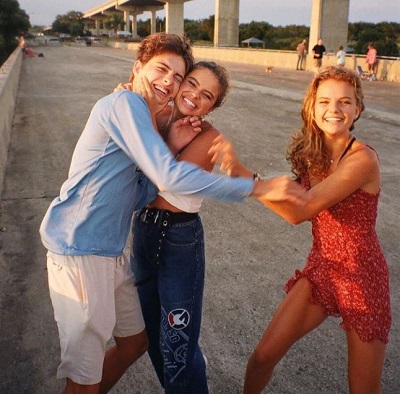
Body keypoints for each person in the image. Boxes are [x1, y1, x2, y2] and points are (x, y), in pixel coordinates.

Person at [40, 32, 306, 394]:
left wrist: (251, 180)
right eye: (171, 74)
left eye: (183, 80)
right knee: (96, 368)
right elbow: (162, 179)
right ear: (138, 67)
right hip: (89, 248)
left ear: (212, 107)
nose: (177, 86)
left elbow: (152, 188)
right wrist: (256, 186)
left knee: (149, 343)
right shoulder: (134, 108)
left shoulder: (171, 123)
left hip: (138, 246)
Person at [209, 66, 391, 394]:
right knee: (263, 356)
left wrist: (244, 176)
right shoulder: (314, 155)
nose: (333, 109)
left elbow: (303, 209)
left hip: (362, 276)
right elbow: (294, 206)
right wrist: (251, 181)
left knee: (363, 388)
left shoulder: (363, 160)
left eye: (344, 102)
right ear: (312, 107)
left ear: (357, 110)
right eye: (324, 101)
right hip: (322, 268)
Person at [131, 61, 232, 394]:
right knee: (153, 339)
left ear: (212, 106)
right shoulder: (155, 119)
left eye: (206, 95)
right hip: (144, 232)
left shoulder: (210, 137)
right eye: (190, 83)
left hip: (178, 240)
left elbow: (160, 178)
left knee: (178, 347)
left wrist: (158, 136)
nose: (193, 96)